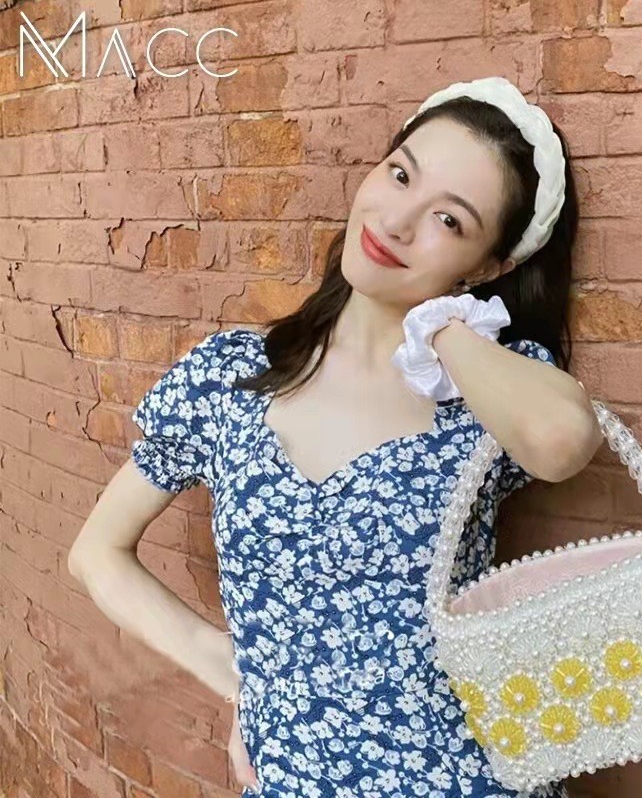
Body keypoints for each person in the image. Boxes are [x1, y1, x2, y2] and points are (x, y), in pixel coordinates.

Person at [68, 77, 603, 797]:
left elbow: (562, 441)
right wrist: (234, 671)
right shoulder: (230, 377)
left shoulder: (487, 388)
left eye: (449, 221)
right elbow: (96, 553)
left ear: (488, 265)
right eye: (401, 175)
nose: (398, 221)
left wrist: (443, 329)